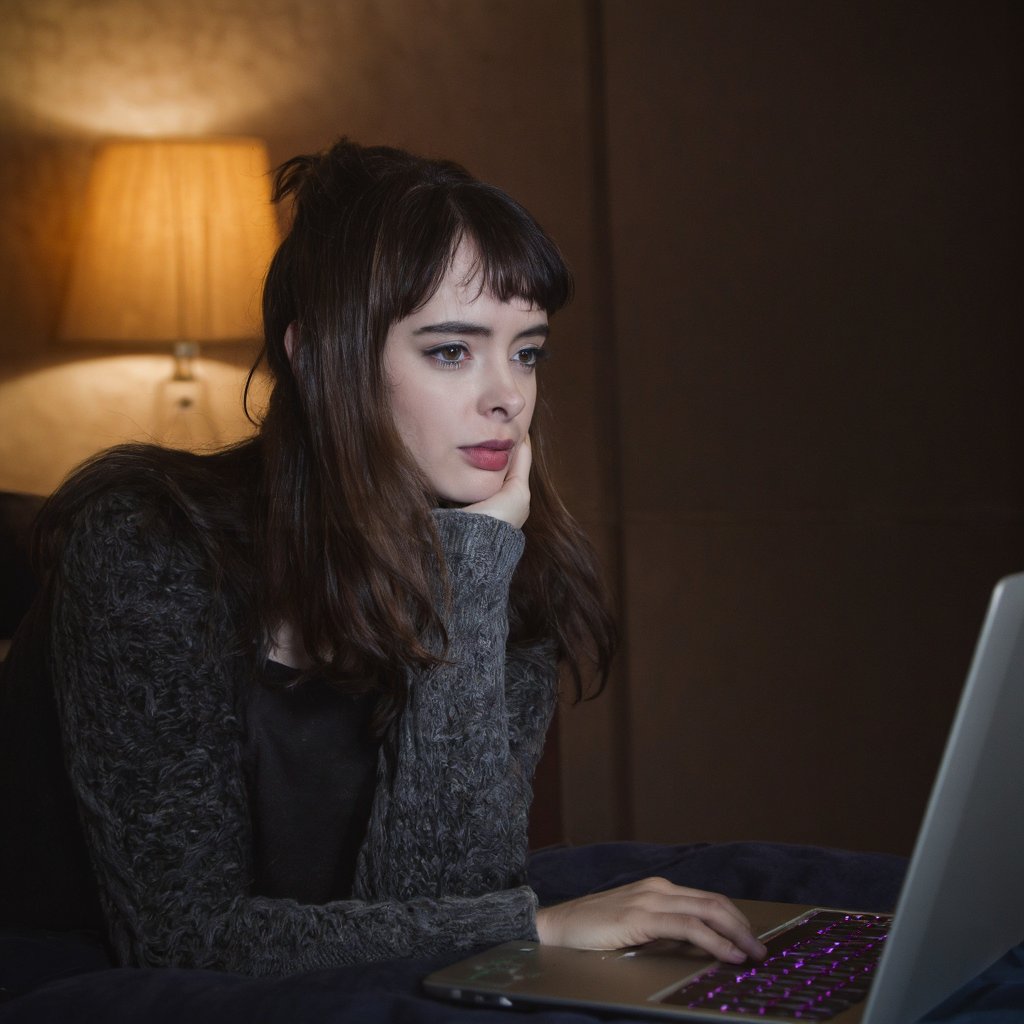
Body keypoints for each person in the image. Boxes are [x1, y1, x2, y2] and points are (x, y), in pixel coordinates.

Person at [0, 139, 766, 974]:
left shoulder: (505, 555)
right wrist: (535, 928)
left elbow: (442, 904)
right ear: (321, 356)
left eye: (527, 350)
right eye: (451, 351)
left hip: (360, 984)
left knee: (783, 889)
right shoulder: (149, 544)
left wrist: (469, 578)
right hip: (96, 984)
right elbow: (183, 939)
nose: (508, 395)